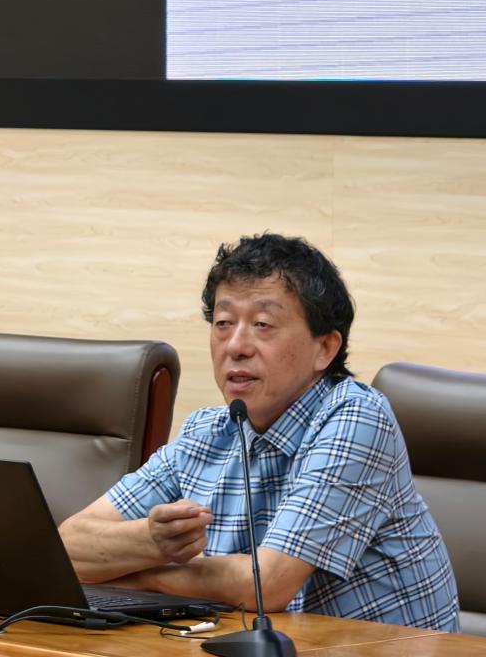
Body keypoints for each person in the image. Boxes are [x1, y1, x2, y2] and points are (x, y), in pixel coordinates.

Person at [58, 233, 459, 631]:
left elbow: (268, 583)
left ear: (325, 348)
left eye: (263, 324)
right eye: (223, 323)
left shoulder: (356, 416)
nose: (236, 346)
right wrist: (151, 540)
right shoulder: (207, 430)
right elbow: (66, 548)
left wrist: (131, 573)